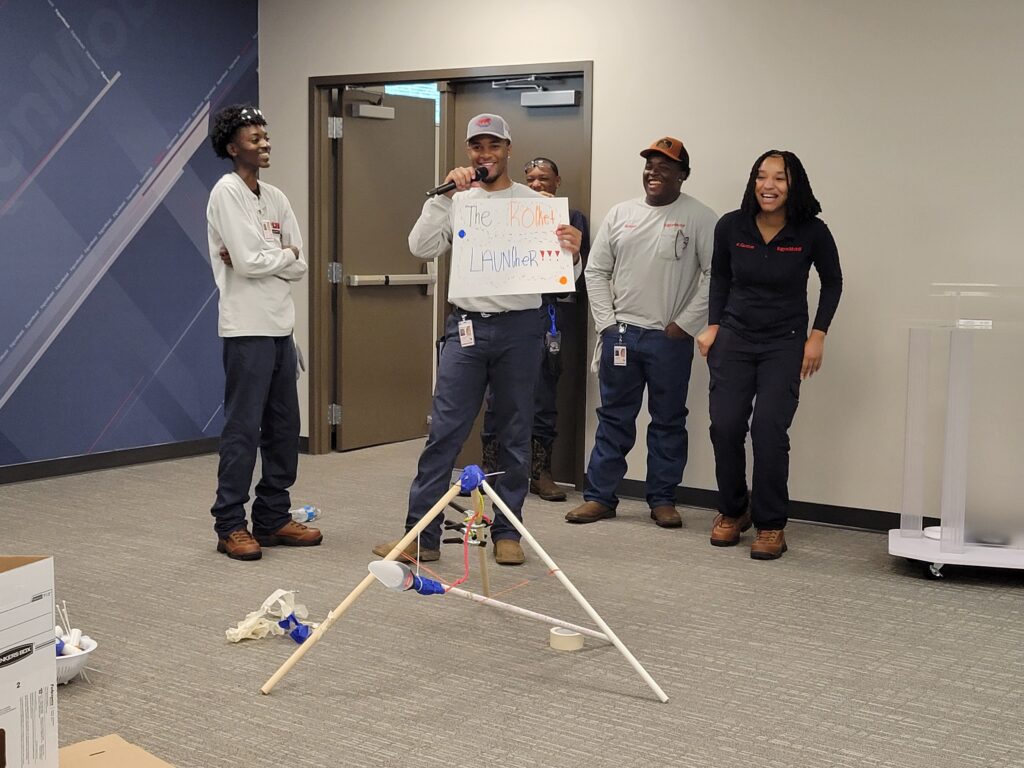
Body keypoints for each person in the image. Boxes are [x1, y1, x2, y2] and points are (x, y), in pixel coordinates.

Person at [372, 114, 583, 566]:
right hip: (467, 327)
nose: (484, 154)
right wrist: (443, 197)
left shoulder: (534, 202)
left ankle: (508, 534)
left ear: (508, 148)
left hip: (520, 329)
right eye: (476, 147)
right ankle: (420, 537)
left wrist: (574, 251)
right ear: (468, 152)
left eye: (493, 145)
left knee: (514, 432)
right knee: (445, 431)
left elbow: (563, 280)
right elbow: (420, 247)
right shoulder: (458, 199)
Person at [697, 150, 842, 560]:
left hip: (785, 341)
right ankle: (732, 510)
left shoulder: (812, 231)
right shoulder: (731, 226)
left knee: (768, 431)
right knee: (724, 426)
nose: (769, 185)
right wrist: (713, 325)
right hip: (735, 338)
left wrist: (818, 336)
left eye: (779, 178)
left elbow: (832, 282)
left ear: (793, 185)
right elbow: (720, 277)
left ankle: (771, 523)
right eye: (762, 176)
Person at [566, 137, 717, 528]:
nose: (654, 172)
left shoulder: (700, 218)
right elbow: (596, 272)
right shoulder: (620, 214)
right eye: (650, 165)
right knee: (613, 418)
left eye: (665, 167)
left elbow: (716, 276)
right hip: (622, 336)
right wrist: (607, 323)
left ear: (682, 175)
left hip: (668, 341)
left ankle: (662, 499)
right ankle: (600, 497)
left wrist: (684, 325)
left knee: (668, 420)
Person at [206, 104, 323, 561]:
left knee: (283, 428)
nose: (265, 144)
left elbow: (300, 264)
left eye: (266, 137)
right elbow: (253, 262)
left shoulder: (274, 197)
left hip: (281, 328)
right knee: (242, 430)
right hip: (245, 329)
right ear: (233, 147)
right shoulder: (225, 192)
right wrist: (279, 255)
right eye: (255, 139)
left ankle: (273, 517)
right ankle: (230, 524)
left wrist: (272, 257)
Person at [479, 156, 591, 502]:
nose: (538, 184)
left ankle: (540, 471)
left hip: (546, 315)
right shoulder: (508, 212)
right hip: (505, 314)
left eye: (544, 178)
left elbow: (573, 273)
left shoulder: (571, 219)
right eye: (531, 179)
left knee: (542, 396)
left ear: (558, 181)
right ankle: (491, 469)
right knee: (498, 397)